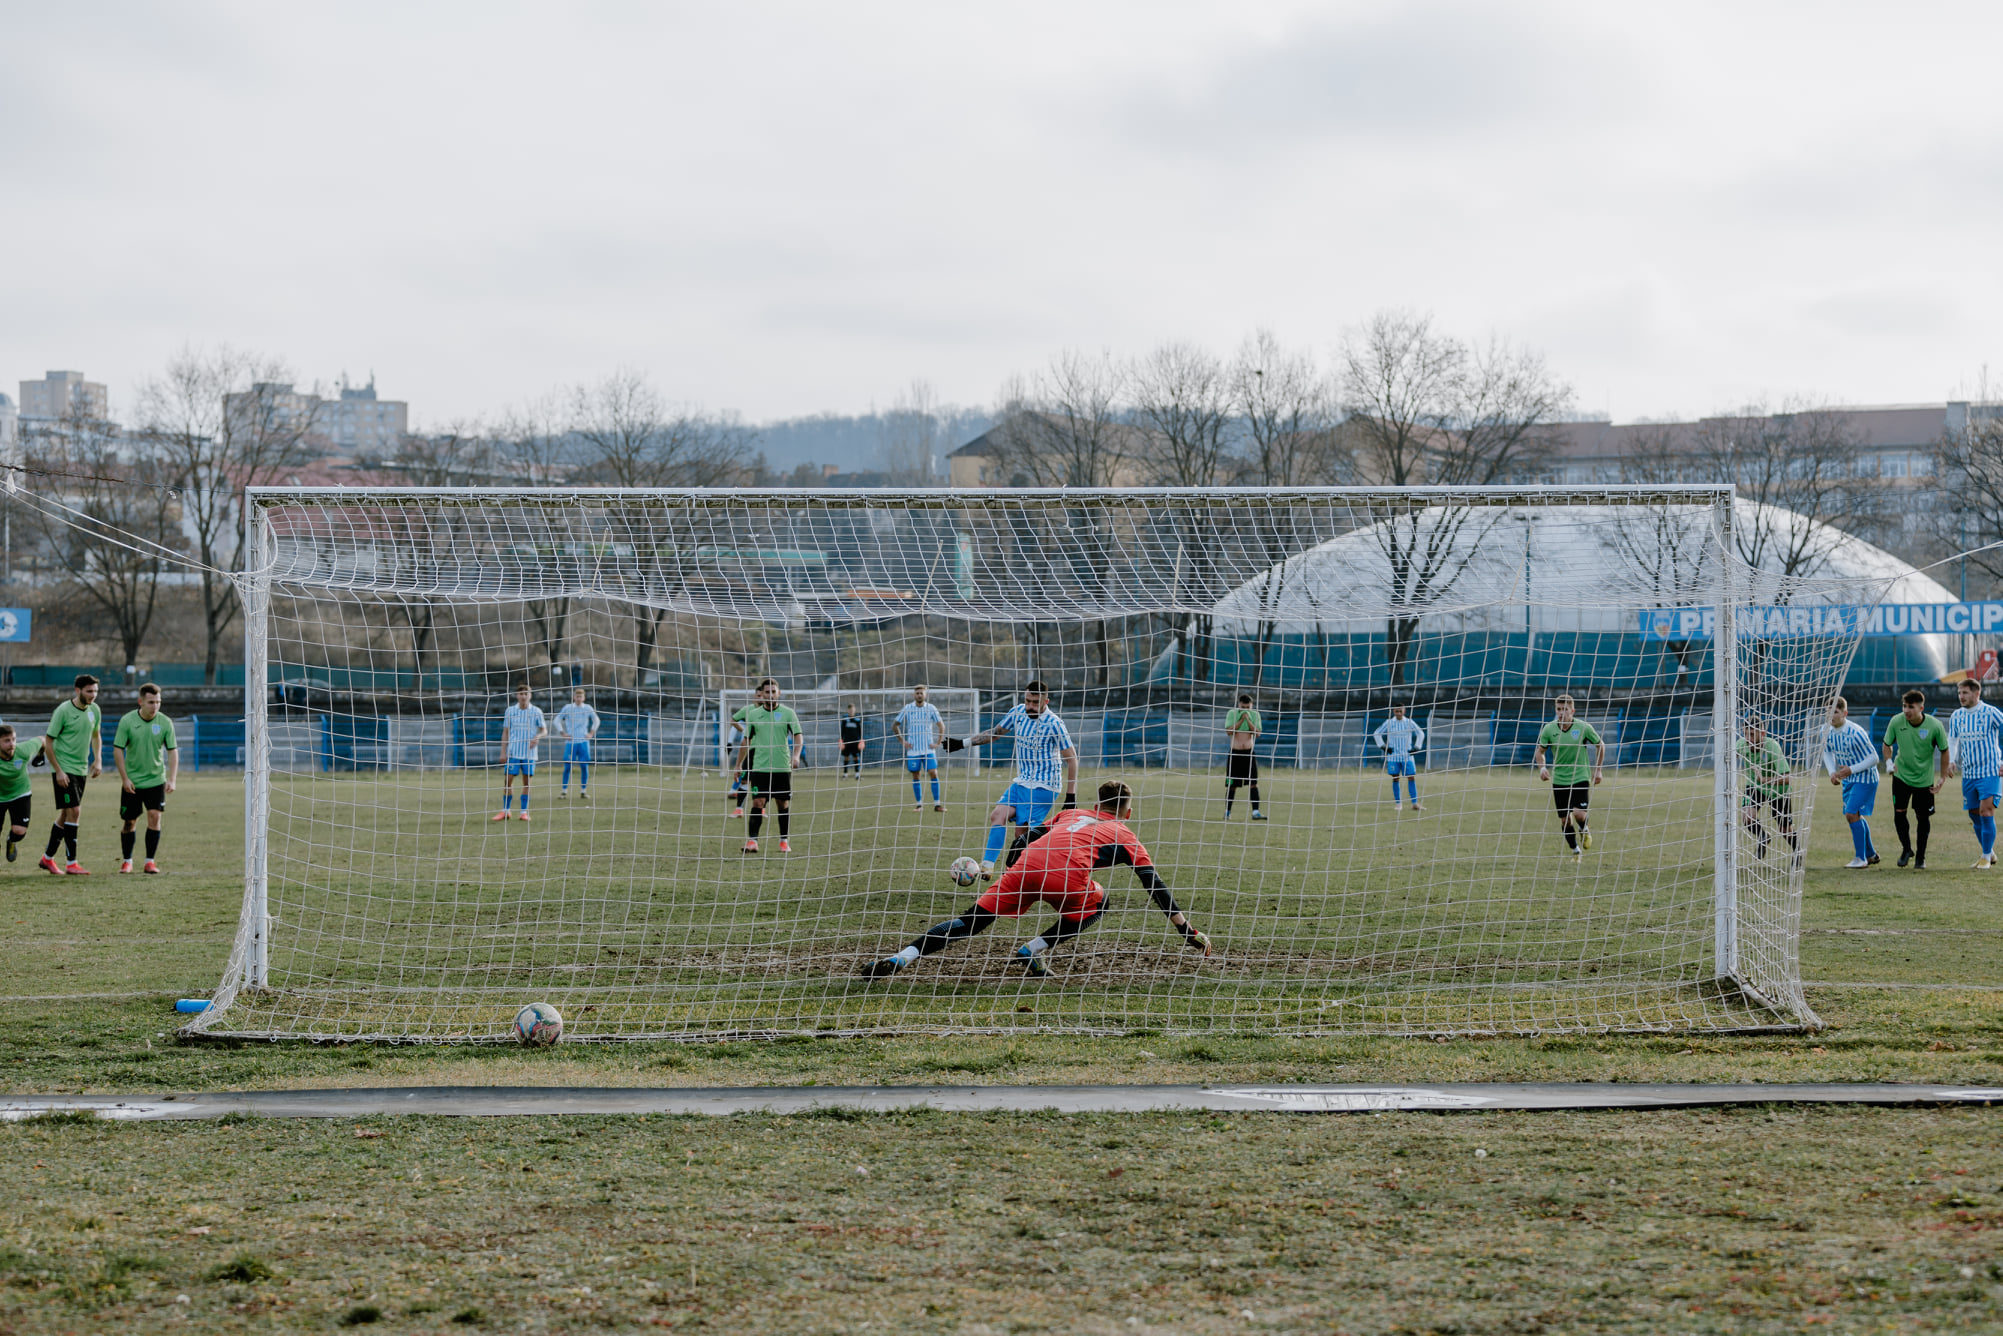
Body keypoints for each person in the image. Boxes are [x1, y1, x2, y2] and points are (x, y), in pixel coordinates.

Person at [862, 780, 1211, 978]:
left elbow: (1024, 837)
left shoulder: (1071, 813)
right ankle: (1032, 949)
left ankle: (902, 957)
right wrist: (1186, 929)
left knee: (969, 922)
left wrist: (1012, 867)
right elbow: (1154, 885)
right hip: (1066, 879)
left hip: (1025, 868)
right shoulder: (1125, 833)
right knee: (1100, 901)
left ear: (1097, 803)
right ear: (1128, 812)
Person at [947, 680, 1078, 879]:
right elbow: (995, 734)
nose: (1029, 706)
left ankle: (1020, 875)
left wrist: (1071, 796)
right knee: (998, 815)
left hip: (1044, 786)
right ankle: (987, 867)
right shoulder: (1017, 712)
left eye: (1035, 702)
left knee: (1022, 834)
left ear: (1046, 701)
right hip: (1022, 781)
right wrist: (962, 743)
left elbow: (1072, 759)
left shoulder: (1054, 724)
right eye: (1027, 701)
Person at [732, 678, 802, 854]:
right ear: (761, 694)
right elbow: (745, 741)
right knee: (758, 801)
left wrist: (796, 755)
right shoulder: (754, 715)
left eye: (773, 691)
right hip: (760, 768)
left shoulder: (788, 713)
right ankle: (752, 841)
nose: (770, 695)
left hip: (781, 768)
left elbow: (798, 737)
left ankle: (783, 841)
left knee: (782, 804)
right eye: (767, 692)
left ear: (778, 693)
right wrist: (738, 764)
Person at [112, 683, 177, 874]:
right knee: (129, 822)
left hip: (156, 780)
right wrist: (124, 778)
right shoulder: (127, 721)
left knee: (155, 817)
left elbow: (173, 752)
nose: (155, 706)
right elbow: (117, 749)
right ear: (141, 702)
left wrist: (171, 779)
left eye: (158, 702)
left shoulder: (165, 722)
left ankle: (150, 861)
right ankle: (127, 860)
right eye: (151, 702)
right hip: (132, 781)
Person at [1882, 687, 1949, 869]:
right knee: (1899, 814)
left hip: (1924, 779)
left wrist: (1942, 777)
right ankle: (1906, 849)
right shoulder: (1896, 721)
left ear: (1921, 708)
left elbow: (1944, 750)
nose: (1906, 711)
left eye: (1910, 707)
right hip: (1901, 776)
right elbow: (1887, 744)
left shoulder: (1935, 726)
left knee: (1923, 817)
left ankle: (1921, 857)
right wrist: (1888, 762)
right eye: (1904, 706)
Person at [41, 674, 101, 876]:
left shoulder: (95, 711)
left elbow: (96, 735)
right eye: (89, 691)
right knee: (74, 811)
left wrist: (98, 758)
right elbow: (48, 742)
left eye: (95, 691)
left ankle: (47, 858)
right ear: (77, 691)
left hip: (81, 769)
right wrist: (58, 770)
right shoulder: (63, 711)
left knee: (66, 814)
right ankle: (71, 863)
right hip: (64, 769)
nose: (93, 695)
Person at [1533, 694, 1603, 855]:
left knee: (1579, 814)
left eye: (1565, 709)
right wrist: (1542, 768)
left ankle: (1584, 828)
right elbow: (1540, 751)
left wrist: (1598, 770)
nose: (1561, 713)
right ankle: (1575, 851)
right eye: (1558, 709)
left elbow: (1600, 745)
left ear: (1572, 711)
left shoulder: (1583, 727)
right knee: (1565, 820)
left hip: (1580, 776)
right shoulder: (1549, 729)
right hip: (1559, 779)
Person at [1946, 677, 2003, 869]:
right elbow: (1952, 739)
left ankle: (1985, 856)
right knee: (1973, 813)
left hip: (1990, 770)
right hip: (1969, 773)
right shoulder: (1957, 716)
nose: (1961, 697)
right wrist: (1951, 760)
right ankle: (1990, 852)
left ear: (1976, 693)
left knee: (1986, 810)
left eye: (1965, 693)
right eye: (1959, 693)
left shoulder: (1991, 713)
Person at [1823, 696, 1880, 869]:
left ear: (1845, 713)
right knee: (1855, 815)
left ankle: (1860, 858)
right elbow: (1826, 752)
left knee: (1850, 813)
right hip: (1849, 779)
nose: (1830, 716)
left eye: (1835, 712)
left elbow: (1874, 758)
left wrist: (1851, 769)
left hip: (1866, 778)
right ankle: (1870, 854)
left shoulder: (1856, 732)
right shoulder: (1825, 731)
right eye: (1827, 712)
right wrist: (1832, 771)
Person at [1739, 717, 1800, 868]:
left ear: (1763, 733)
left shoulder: (1772, 747)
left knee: (1784, 828)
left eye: (1752, 734)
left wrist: (1764, 779)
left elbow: (1787, 778)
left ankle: (1797, 852)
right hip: (1754, 787)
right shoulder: (1741, 745)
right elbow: (1729, 758)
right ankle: (1763, 837)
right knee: (1747, 817)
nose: (1748, 739)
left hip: (1778, 791)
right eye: (1746, 734)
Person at [494, 684, 546, 822]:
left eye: (526, 693)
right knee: (508, 781)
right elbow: (505, 732)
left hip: (529, 754)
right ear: (517, 695)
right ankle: (506, 810)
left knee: (527, 782)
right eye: (521, 694)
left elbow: (543, 730)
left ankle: (524, 812)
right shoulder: (510, 711)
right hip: (513, 753)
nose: (523, 696)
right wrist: (503, 752)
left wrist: (538, 737)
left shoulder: (536, 711)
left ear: (530, 695)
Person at [0, 725, 47, 866]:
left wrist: (40, 756)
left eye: (14, 739)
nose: (12, 744)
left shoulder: (23, 750)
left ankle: (12, 841)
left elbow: (42, 740)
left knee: (19, 831)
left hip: (20, 793)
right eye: (6, 741)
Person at [894, 685, 946, 812]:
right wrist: (902, 741)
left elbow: (941, 726)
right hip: (913, 750)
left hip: (928, 749)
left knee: (933, 773)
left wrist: (938, 742)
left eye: (921, 693)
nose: (919, 695)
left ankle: (937, 804)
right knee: (916, 775)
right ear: (914, 695)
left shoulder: (931, 708)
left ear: (925, 695)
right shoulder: (908, 708)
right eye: (917, 693)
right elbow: (895, 725)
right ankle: (919, 805)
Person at [1372, 704, 1426, 812]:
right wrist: (1383, 746)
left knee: (1411, 777)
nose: (1399, 713)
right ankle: (1398, 804)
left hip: (1407, 756)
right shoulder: (1389, 723)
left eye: (1400, 711)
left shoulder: (1409, 722)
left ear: (1404, 711)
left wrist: (1417, 747)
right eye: (1397, 711)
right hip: (1393, 756)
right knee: (1395, 778)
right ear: (1393, 711)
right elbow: (1376, 733)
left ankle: (1414, 803)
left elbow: (1420, 733)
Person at [1222, 693, 1266, 820]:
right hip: (1235, 754)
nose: (1245, 710)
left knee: (1254, 783)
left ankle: (1255, 812)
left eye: (1248, 707)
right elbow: (1229, 731)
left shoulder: (1255, 715)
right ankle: (1227, 812)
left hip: (1249, 753)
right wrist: (1241, 719)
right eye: (1243, 707)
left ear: (1251, 706)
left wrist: (1248, 719)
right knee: (1231, 784)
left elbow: (1257, 733)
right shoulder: (1232, 713)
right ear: (1239, 705)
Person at [555, 687, 600, 800]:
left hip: (583, 742)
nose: (579, 698)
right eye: (577, 696)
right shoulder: (568, 708)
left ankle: (583, 791)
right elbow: (557, 720)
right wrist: (562, 733)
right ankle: (564, 791)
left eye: (581, 696)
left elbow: (596, 720)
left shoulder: (588, 708)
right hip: (571, 742)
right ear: (574, 697)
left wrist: (591, 733)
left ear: (583, 698)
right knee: (567, 767)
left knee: (584, 766)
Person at [725, 702, 752, 817]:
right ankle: (738, 804)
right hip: (746, 748)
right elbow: (734, 725)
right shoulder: (747, 714)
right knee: (744, 773)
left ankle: (733, 790)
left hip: (760, 749)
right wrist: (730, 742)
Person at [838, 702, 866, 780]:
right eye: (850, 710)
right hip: (846, 741)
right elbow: (842, 730)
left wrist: (861, 740)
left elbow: (860, 731)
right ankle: (845, 774)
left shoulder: (857, 720)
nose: (851, 711)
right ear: (848, 710)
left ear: (854, 710)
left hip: (855, 742)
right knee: (846, 757)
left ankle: (857, 775)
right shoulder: (845, 719)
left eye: (852, 710)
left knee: (856, 757)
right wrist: (841, 740)